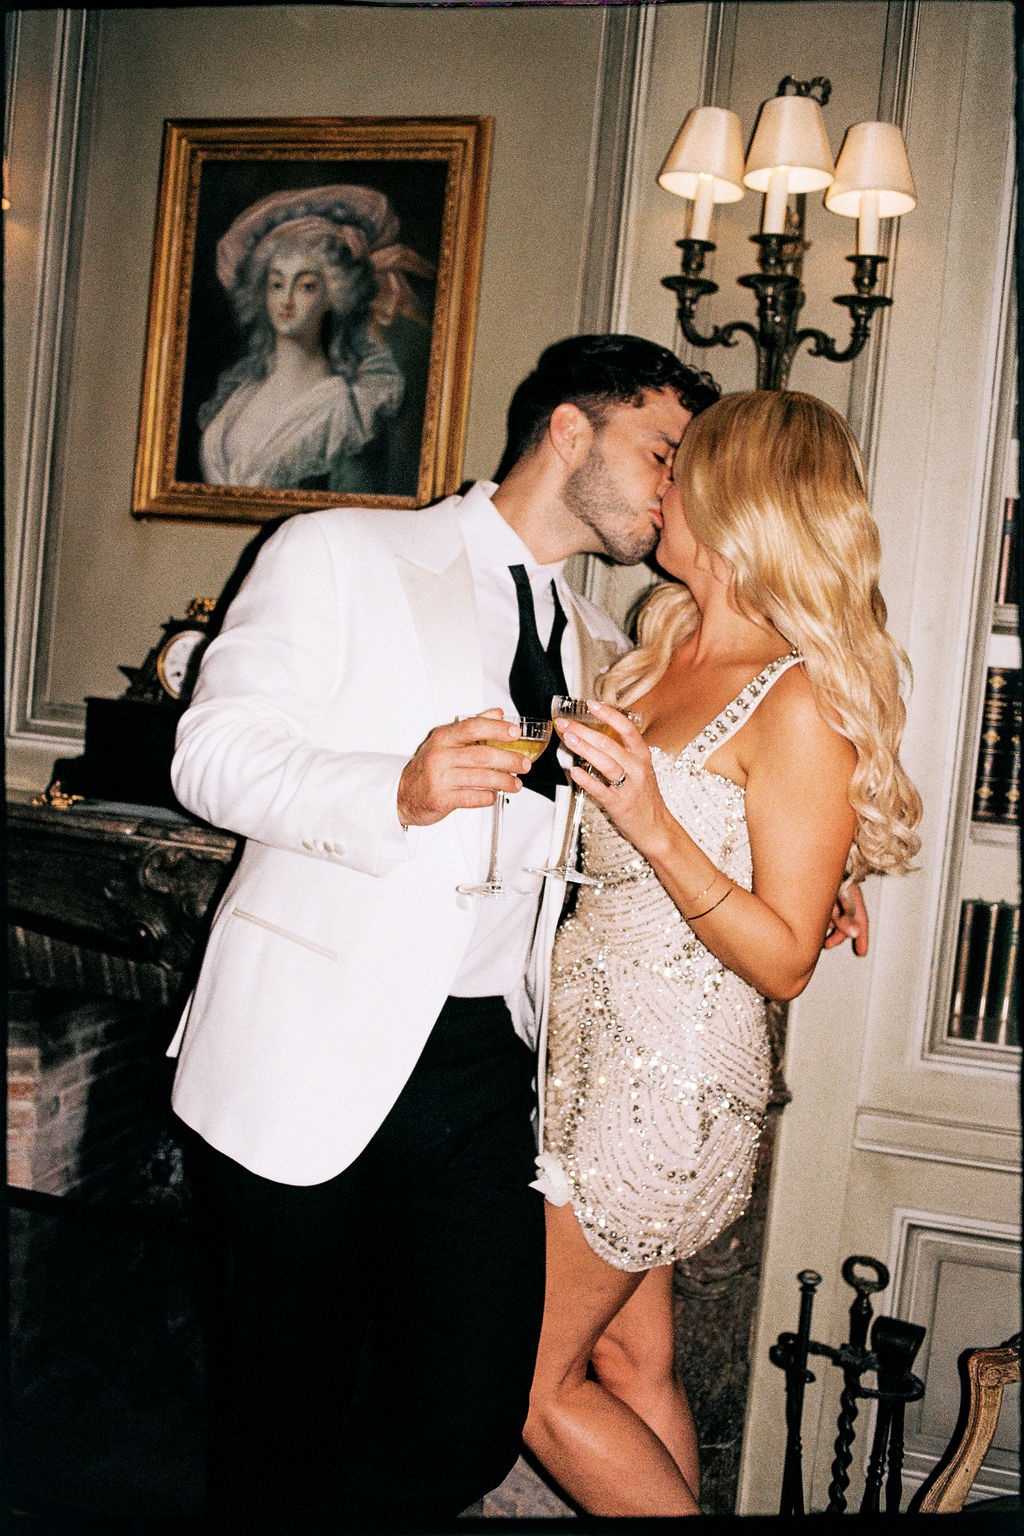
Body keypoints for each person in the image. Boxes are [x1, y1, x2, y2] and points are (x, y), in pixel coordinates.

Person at [167, 333, 721, 1529]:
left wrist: (805, 877)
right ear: (569, 428)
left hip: (486, 1058)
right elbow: (209, 755)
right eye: (662, 453)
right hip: (306, 1046)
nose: (675, 491)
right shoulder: (341, 552)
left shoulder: (603, 646)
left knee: (467, 1413)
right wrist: (392, 790)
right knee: (280, 1413)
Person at [524, 389, 922, 1517]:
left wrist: (657, 824)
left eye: (681, 468)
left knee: (528, 1384)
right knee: (627, 1365)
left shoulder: (796, 696)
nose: (660, 485)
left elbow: (785, 961)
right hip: (587, 1061)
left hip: (664, 1091)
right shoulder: (657, 653)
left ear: (736, 502)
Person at [198, 184, 432, 495]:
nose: (287, 300)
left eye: (305, 286)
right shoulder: (241, 395)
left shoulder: (341, 408)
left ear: (333, 294)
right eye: (277, 284)